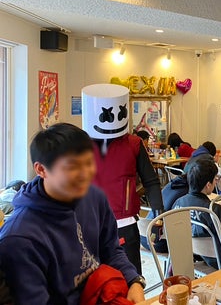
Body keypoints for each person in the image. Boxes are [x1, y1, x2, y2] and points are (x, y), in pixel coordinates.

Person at [0, 123, 145, 304]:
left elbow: (112, 250)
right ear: (41, 169)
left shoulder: (94, 197)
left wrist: (134, 281)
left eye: (89, 163)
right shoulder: (19, 238)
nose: (87, 174)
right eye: (73, 167)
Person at [82, 84, 164, 275]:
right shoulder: (80, 145)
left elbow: (151, 181)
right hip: (89, 224)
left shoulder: (134, 144)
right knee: (92, 280)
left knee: (130, 278)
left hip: (124, 223)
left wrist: (158, 214)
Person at [175, 159, 221, 269]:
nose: (216, 182)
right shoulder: (213, 210)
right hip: (219, 262)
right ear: (208, 185)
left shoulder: (178, 204)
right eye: (215, 179)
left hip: (191, 257)